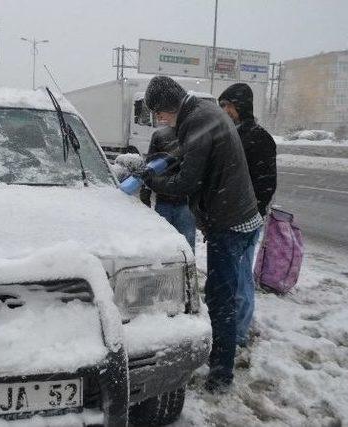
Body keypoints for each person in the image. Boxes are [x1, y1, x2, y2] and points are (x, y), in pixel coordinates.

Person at [141, 76, 262, 393]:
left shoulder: (196, 121)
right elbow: (190, 154)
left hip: (230, 223)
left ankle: (221, 375)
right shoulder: (203, 112)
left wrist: (149, 181)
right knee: (227, 293)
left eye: (159, 114)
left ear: (168, 108)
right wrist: (158, 163)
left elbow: (185, 184)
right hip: (243, 216)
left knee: (220, 299)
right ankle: (223, 359)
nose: (160, 121)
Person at [218, 83, 277, 347]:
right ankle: (230, 329)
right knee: (229, 280)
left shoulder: (259, 138)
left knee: (241, 281)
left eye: (227, 106)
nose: (224, 111)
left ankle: (239, 334)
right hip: (227, 219)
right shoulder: (230, 134)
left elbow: (266, 183)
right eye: (222, 106)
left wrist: (252, 211)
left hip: (245, 221)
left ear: (240, 106)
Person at [139, 126, 196, 253]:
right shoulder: (160, 135)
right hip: (170, 201)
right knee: (171, 247)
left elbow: (149, 169)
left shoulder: (193, 133)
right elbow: (149, 168)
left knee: (168, 247)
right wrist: (145, 198)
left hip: (180, 202)